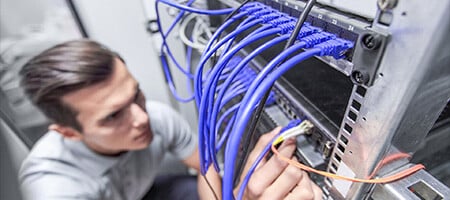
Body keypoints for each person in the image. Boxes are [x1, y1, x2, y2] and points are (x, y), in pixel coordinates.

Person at [18, 39, 322, 200]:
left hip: (149, 190)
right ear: (69, 133)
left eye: (135, 95)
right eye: (113, 116)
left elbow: (204, 169)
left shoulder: (156, 117)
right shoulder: (53, 186)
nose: (141, 117)